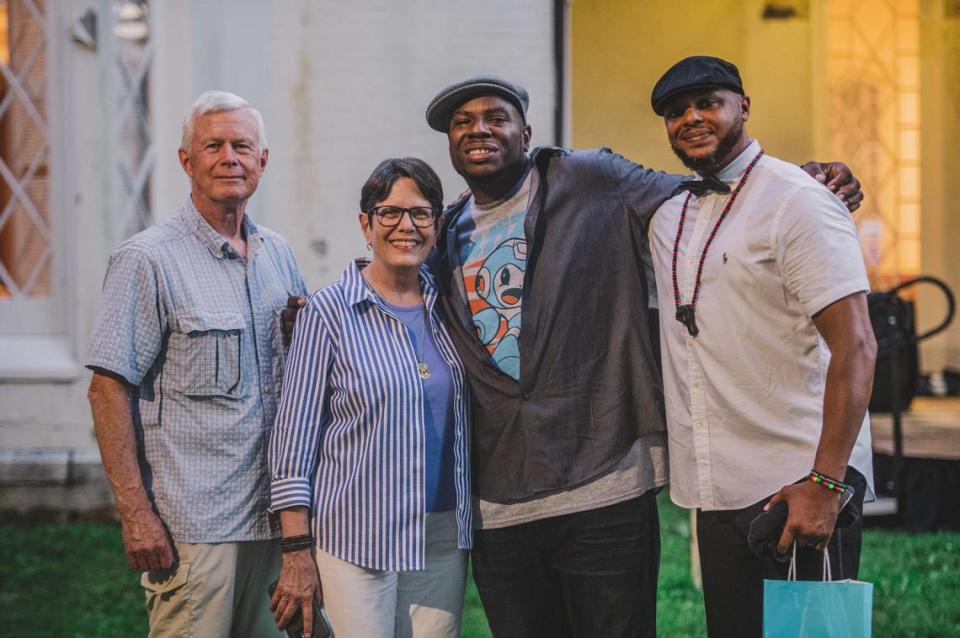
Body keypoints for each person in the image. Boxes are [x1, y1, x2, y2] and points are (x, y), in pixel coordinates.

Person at [418, 74, 864, 637]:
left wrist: (806, 180)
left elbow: (710, 192)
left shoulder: (592, 178)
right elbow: (394, 291)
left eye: (496, 117)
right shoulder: (443, 234)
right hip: (500, 499)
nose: (479, 129)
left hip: (604, 482)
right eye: (463, 122)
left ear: (527, 132)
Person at [647, 55, 877, 637]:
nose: (692, 118)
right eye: (676, 111)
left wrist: (827, 484)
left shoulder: (798, 199)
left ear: (743, 107)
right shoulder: (667, 217)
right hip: (718, 486)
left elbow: (857, 345)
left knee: (814, 633)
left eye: (708, 103)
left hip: (799, 481)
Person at [86, 90, 306, 638]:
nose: (229, 157)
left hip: (274, 520)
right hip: (195, 526)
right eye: (213, 146)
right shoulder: (148, 259)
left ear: (262, 160)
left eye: (242, 146)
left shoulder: (279, 254)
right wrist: (136, 514)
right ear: (187, 161)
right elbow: (107, 389)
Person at [268, 158, 473, 638]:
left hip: (440, 535)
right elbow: (292, 440)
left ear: (437, 226)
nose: (407, 226)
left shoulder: (452, 306)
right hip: (357, 535)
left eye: (421, 214)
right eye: (390, 213)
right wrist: (296, 549)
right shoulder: (328, 312)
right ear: (366, 224)